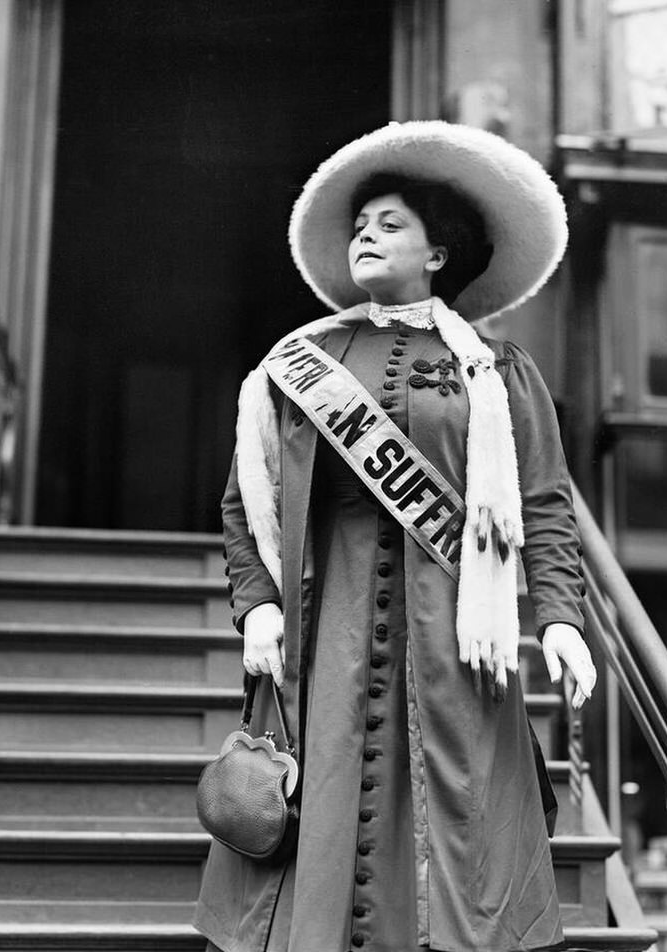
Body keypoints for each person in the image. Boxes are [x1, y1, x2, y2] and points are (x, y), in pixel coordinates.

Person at [195, 120, 598, 952]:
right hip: (326, 639)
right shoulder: (300, 362)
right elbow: (248, 500)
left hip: (459, 643)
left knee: (462, 838)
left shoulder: (499, 371)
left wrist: (559, 616)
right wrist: (258, 606)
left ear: (438, 253)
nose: (365, 238)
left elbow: (546, 503)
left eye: (389, 225)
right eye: (359, 227)